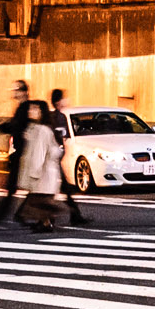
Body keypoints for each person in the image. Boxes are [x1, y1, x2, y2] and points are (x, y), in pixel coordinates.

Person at [0, 80, 31, 225]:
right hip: (20, 154)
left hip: (23, 154)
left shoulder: (25, 109)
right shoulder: (22, 108)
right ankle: (15, 215)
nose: (14, 93)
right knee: (26, 188)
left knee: (15, 189)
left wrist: (2, 128)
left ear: (23, 92)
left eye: (16, 90)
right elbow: (15, 126)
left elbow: (17, 128)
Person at [16, 98, 65, 232]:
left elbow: (39, 153)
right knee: (40, 201)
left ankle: (48, 220)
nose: (31, 111)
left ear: (41, 112)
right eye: (31, 108)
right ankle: (46, 221)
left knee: (39, 201)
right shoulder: (37, 128)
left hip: (43, 174)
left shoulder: (42, 130)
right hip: (46, 173)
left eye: (35, 109)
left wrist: (34, 173)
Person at [48, 88, 93, 226]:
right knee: (50, 190)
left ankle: (73, 216)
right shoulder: (52, 118)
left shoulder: (62, 117)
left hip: (57, 158)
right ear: (57, 101)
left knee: (63, 189)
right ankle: (48, 217)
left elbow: (64, 138)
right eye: (62, 98)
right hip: (50, 159)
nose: (65, 101)